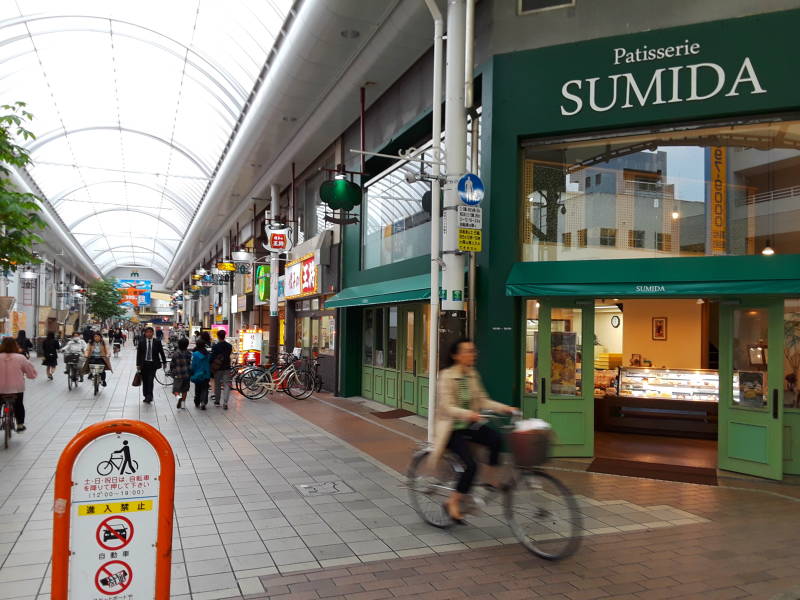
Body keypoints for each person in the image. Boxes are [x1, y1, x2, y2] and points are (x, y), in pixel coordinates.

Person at [431, 339, 516, 523]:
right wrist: (468, 414)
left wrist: (505, 408)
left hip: (469, 424)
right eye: (468, 351)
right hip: (451, 428)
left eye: (473, 351)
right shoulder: (446, 376)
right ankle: (452, 502)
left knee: (496, 438)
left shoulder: (472, 374)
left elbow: (483, 400)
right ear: (456, 355)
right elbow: (446, 406)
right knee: (471, 465)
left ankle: (491, 480)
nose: (473, 354)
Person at [0, 337, 36, 432]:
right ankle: (20, 425)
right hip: (16, 388)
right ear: (15, 345)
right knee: (18, 404)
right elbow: (31, 373)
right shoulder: (20, 358)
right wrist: (31, 375)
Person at [136, 327, 166, 404]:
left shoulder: (157, 342)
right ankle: (146, 394)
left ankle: (149, 396)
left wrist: (164, 362)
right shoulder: (141, 342)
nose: (149, 334)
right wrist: (138, 364)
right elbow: (138, 354)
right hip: (144, 364)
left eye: (150, 332)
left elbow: (161, 352)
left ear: (153, 333)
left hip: (153, 364)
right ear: (145, 333)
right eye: (147, 332)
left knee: (150, 380)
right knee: (145, 381)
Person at [209, 329, 233, 410]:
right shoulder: (229, 346)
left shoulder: (215, 346)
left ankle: (217, 401)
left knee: (217, 384)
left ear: (218, 336)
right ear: (225, 335)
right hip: (227, 367)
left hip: (218, 368)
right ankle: (225, 402)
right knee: (226, 385)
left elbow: (212, 357)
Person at [170, 338, 193, 409]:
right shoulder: (189, 353)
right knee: (184, 390)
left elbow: (172, 364)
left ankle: (178, 397)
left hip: (178, 375)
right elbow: (189, 364)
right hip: (186, 374)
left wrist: (172, 372)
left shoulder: (175, 353)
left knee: (175, 390)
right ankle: (183, 405)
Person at [190, 340, 211, 410]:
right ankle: (203, 402)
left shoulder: (195, 354)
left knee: (197, 389)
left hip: (198, 374)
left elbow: (193, 365)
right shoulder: (207, 354)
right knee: (205, 388)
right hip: (206, 374)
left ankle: (197, 402)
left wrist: (192, 372)